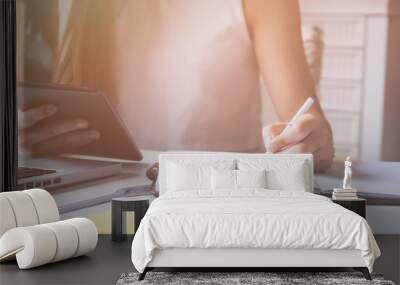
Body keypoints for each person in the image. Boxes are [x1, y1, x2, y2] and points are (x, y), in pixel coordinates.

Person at [19, 0, 334, 172]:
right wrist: (20, 141)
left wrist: (312, 140)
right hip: (97, 190)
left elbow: (307, 124)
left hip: (221, 194)